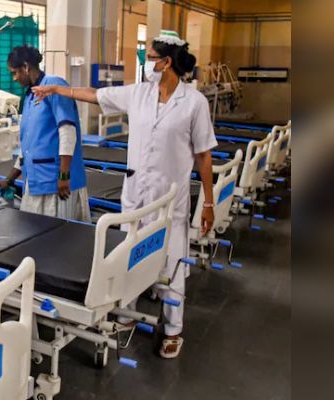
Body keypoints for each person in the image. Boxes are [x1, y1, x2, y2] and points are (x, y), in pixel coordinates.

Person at [33, 30, 217, 358]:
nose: (146, 63)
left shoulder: (194, 103)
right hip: (135, 197)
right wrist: (57, 89)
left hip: (169, 202)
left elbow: (203, 155)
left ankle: (173, 329)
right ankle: (127, 315)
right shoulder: (138, 94)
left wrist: (208, 202)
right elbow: (95, 95)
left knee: (172, 265)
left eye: (150, 58)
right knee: (129, 259)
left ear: (166, 62)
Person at [0, 45, 91, 222]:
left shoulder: (54, 85)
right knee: (34, 232)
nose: (14, 78)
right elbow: (28, 147)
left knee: (60, 235)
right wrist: (9, 179)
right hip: (35, 181)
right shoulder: (30, 96)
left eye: (15, 72)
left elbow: (68, 131)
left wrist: (64, 175)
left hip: (57, 184)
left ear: (26, 67)